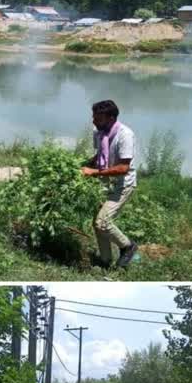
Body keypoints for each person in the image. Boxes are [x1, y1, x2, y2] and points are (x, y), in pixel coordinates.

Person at [80, 100, 139, 269]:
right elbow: (100, 153)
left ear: (111, 118)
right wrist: (86, 164)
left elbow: (123, 168)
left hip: (122, 184)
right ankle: (105, 261)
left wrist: (94, 173)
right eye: (93, 117)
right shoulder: (98, 131)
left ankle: (128, 246)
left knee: (102, 222)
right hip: (105, 182)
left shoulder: (125, 135)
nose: (93, 121)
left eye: (98, 118)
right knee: (97, 223)